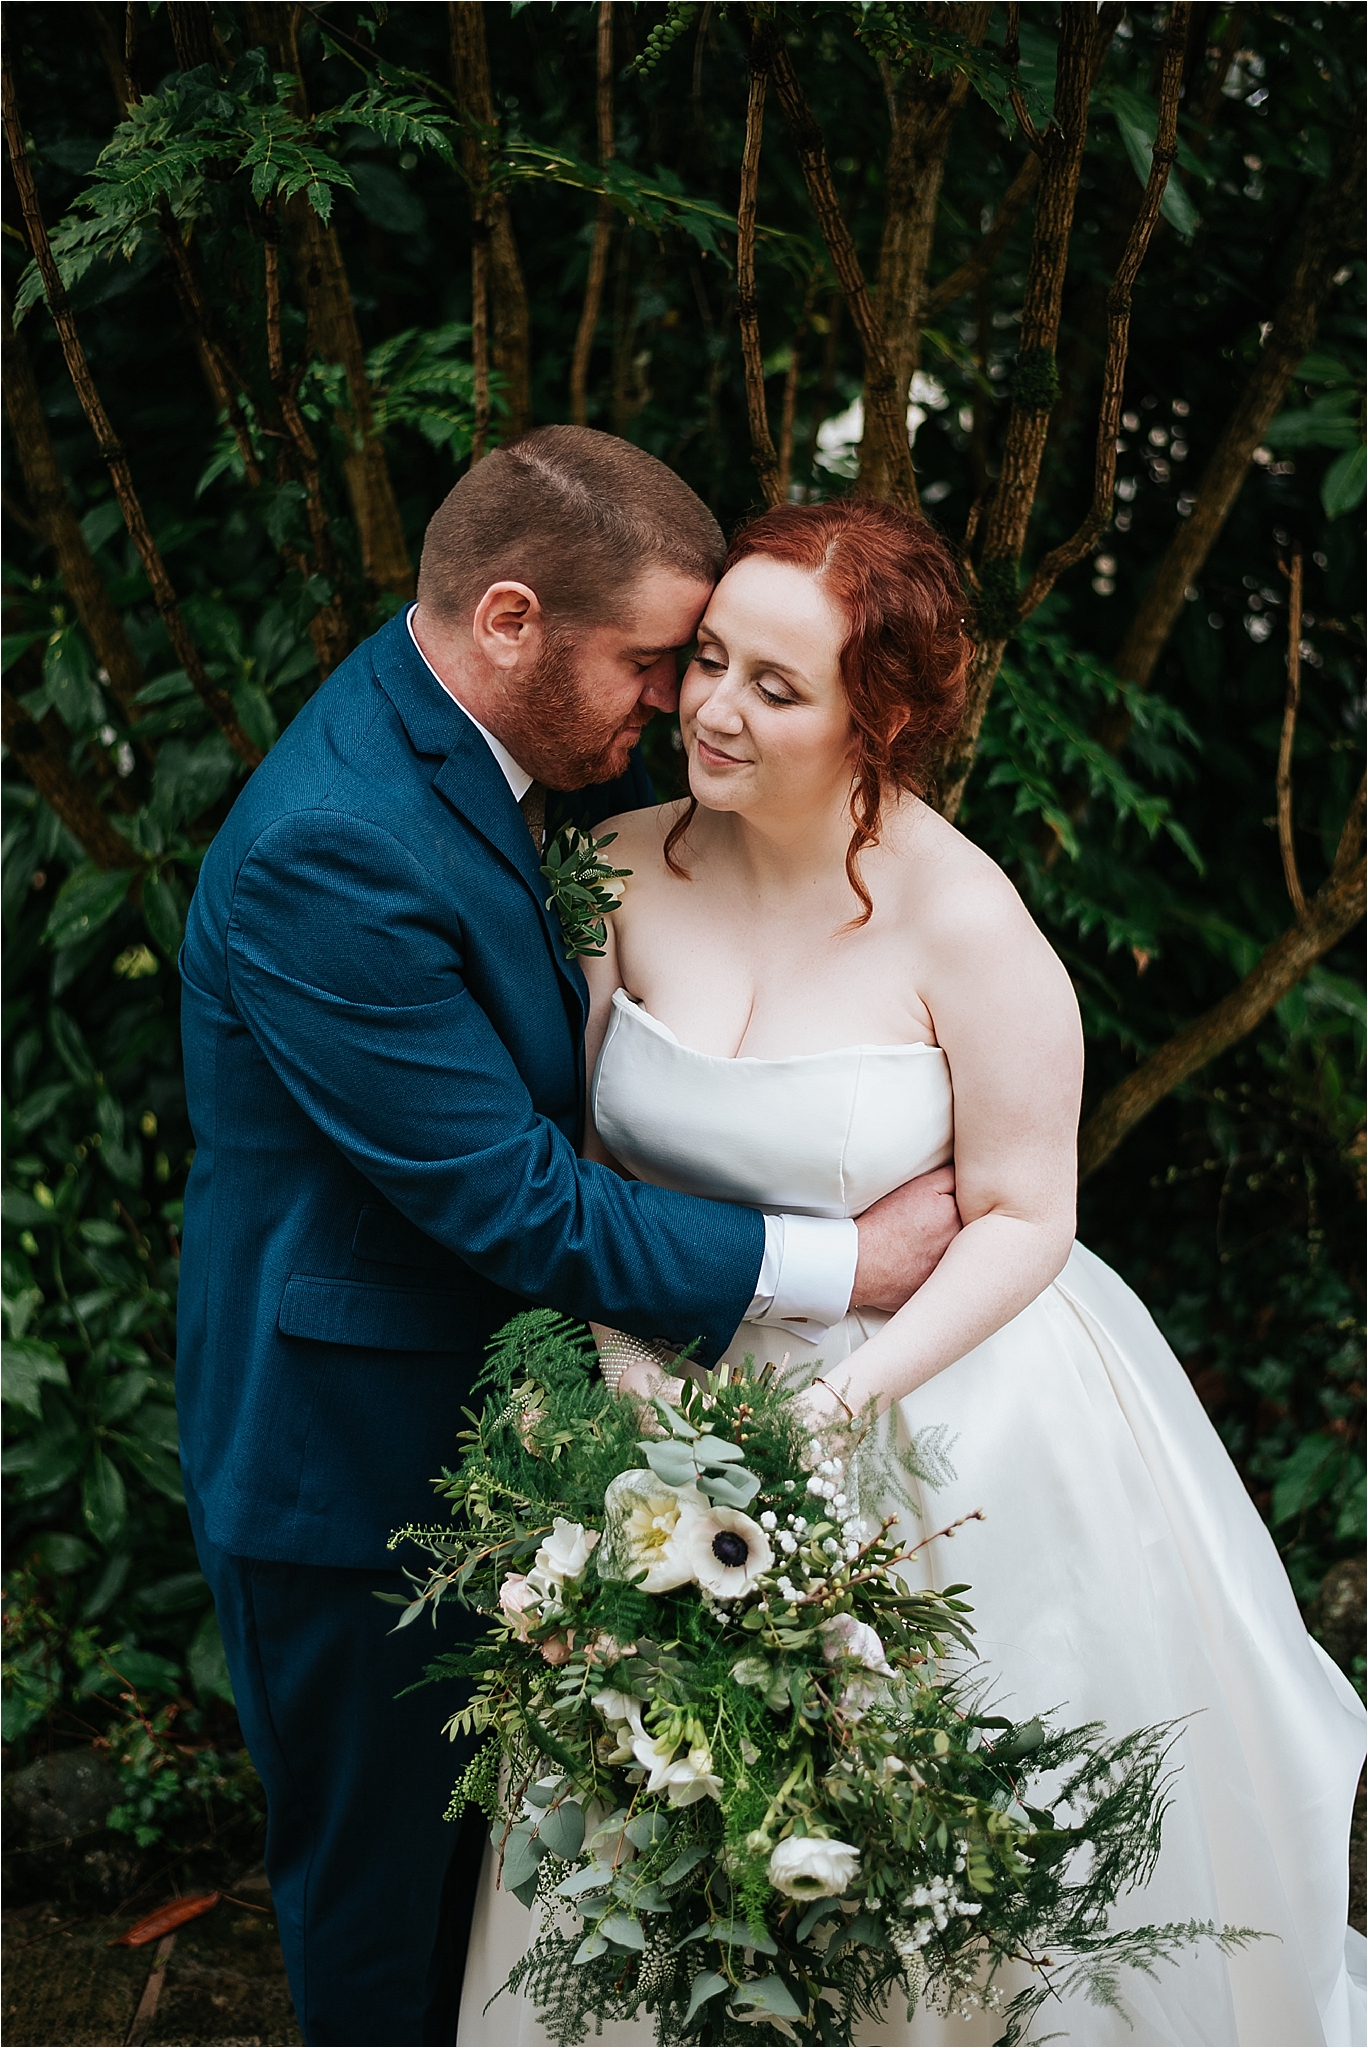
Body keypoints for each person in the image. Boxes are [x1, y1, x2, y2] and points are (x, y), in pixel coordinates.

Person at [457, 497, 1366, 2048]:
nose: (714, 712)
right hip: (656, 1399)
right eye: (711, 661)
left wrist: (837, 1411)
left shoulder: (969, 925)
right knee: (656, 1837)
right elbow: (577, 1164)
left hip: (937, 1413)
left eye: (776, 687)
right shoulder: (604, 870)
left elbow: (1023, 1214)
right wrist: (617, 1374)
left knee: (938, 1868)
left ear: (875, 720)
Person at [175, 431, 960, 2048]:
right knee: (387, 1925)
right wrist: (845, 1265)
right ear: (513, 618)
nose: (678, 704)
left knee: (512, 1924)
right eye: (654, 662)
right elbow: (512, 1199)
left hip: (506, 1443)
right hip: (353, 1472)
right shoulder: (335, 852)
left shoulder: (459, 746)